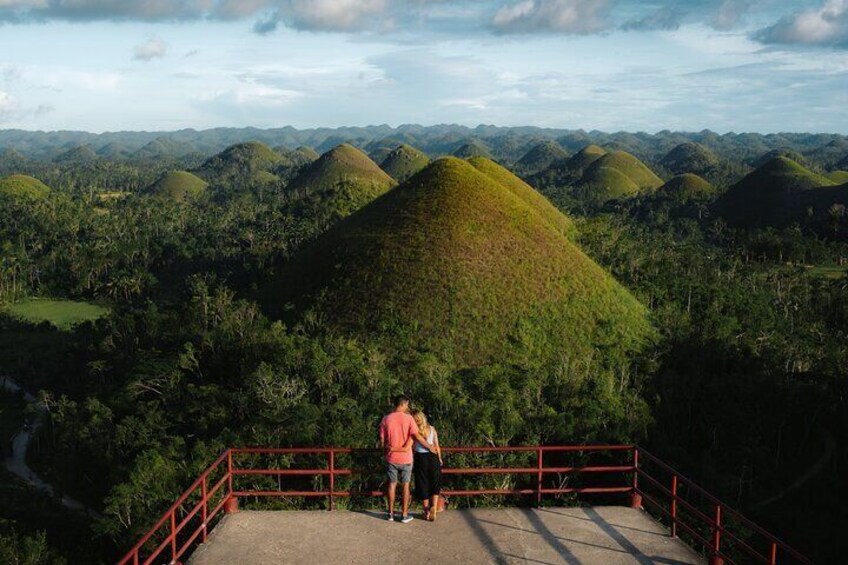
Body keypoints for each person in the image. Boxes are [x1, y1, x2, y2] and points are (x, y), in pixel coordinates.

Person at [379, 395, 434, 523]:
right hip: (406, 459)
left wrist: (385, 451)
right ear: (404, 404)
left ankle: (390, 513)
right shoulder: (409, 419)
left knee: (391, 485)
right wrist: (429, 446)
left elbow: (382, 441)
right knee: (405, 485)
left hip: (391, 458)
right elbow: (417, 437)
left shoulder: (386, 419)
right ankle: (404, 515)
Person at [411, 409, 443, 521]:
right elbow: (437, 445)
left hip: (421, 457)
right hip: (433, 457)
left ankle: (426, 510)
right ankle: (433, 506)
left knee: (422, 482)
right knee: (435, 481)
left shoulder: (414, 431)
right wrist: (439, 458)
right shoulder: (432, 429)